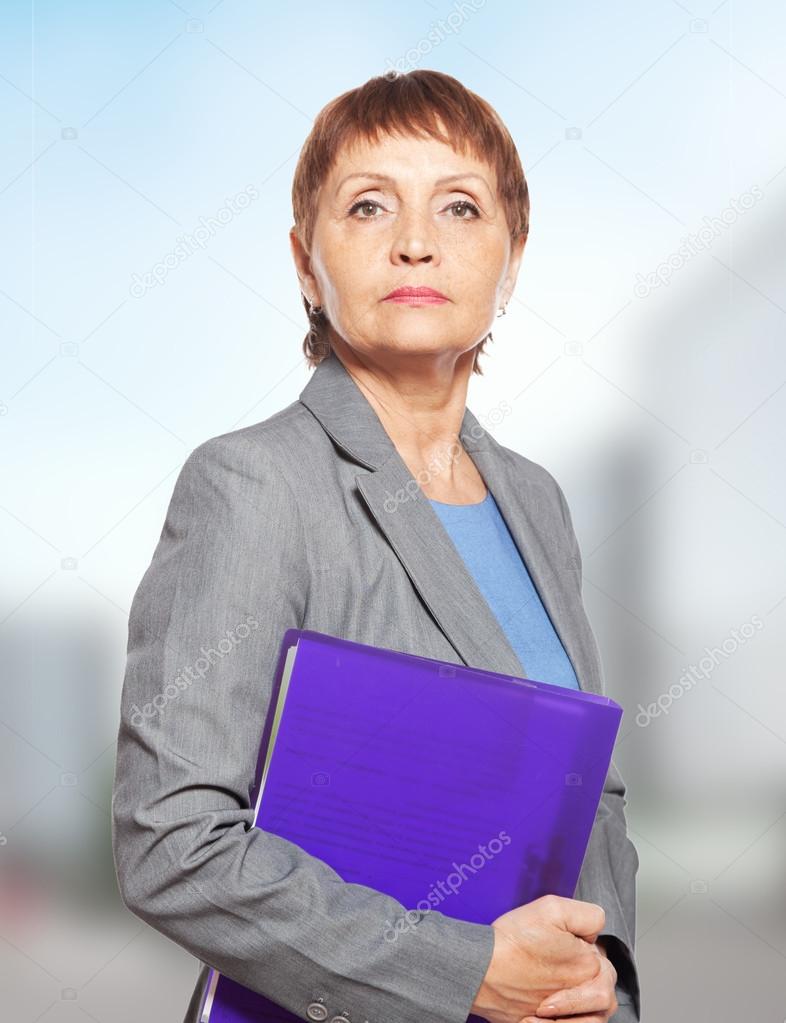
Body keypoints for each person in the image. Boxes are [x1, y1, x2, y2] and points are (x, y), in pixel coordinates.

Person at [111, 69, 641, 1023]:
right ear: (306, 263)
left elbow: (590, 795)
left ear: (513, 259)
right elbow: (172, 840)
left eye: (460, 207)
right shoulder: (253, 484)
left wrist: (596, 972)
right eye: (367, 205)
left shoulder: (537, 502)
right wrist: (463, 970)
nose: (415, 241)